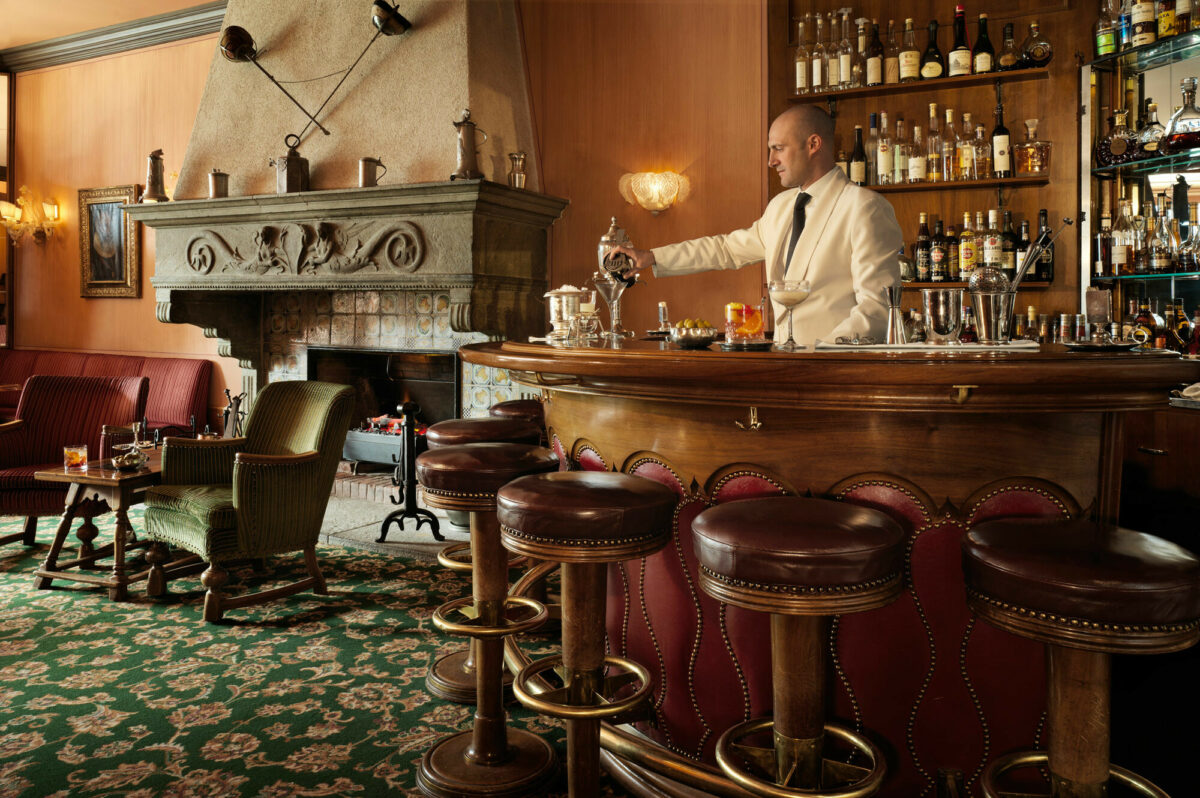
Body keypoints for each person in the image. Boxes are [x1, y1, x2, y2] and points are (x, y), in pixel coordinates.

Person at [610, 105, 902, 346]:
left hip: (833, 373)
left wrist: (818, 354)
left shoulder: (864, 207)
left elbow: (876, 309)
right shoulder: (781, 206)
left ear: (814, 144)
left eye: (778, 149)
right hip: (783, 367)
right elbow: (725, 249)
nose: (770, 161)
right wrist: (652, 257)